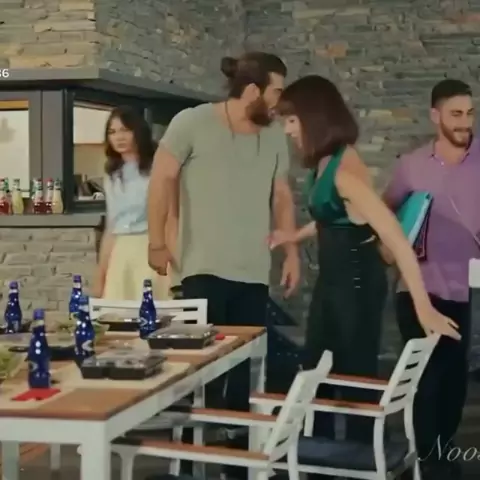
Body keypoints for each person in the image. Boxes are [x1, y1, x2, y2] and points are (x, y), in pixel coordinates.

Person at [268, 75, 460, 479]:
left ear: (314, 118)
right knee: (316, 375)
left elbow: (395, 237)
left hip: (355, 286)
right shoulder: (326, 162)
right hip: (335, 284)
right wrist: (293, 236)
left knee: (354, 380)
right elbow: (334, 217)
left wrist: (423, 306)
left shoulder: (345, 171)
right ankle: (318, 461)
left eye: (292, 120)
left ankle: (360, 463)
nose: (287, 129)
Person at [147, 52, 300, 479]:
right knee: (199, 373)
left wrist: (290, 251)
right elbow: (161, 179)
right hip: (200, 269)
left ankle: (236, 461)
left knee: (243, 372)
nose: (280, 101)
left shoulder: (274, 136)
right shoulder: (192, 122)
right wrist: (156, 241)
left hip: (252, 271)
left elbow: (282, 196)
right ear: (251, 90)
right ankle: (188, 463)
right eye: (276, 92)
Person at [383, 79, 479, 480]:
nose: (465, 122)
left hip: (466, 289)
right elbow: (384, 212)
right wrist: (386, 247)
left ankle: (443, 447)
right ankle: (425, 458)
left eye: (470, 113)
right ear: (435, 116)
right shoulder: (412, 165)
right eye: (456, 114)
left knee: (455, 377)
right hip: (417, 287)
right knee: (427, 376)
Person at [92, 105, 175, 301]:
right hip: (121, 251)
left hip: (152, 246)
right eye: (112, 132)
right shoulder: (112, 174)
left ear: (138, 131)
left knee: (152, 310)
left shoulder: (158, 166)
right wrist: (100, 277)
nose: (118, 137)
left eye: (125, 130)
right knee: (117, 312)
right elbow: (111, 227)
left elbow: (171, 216)